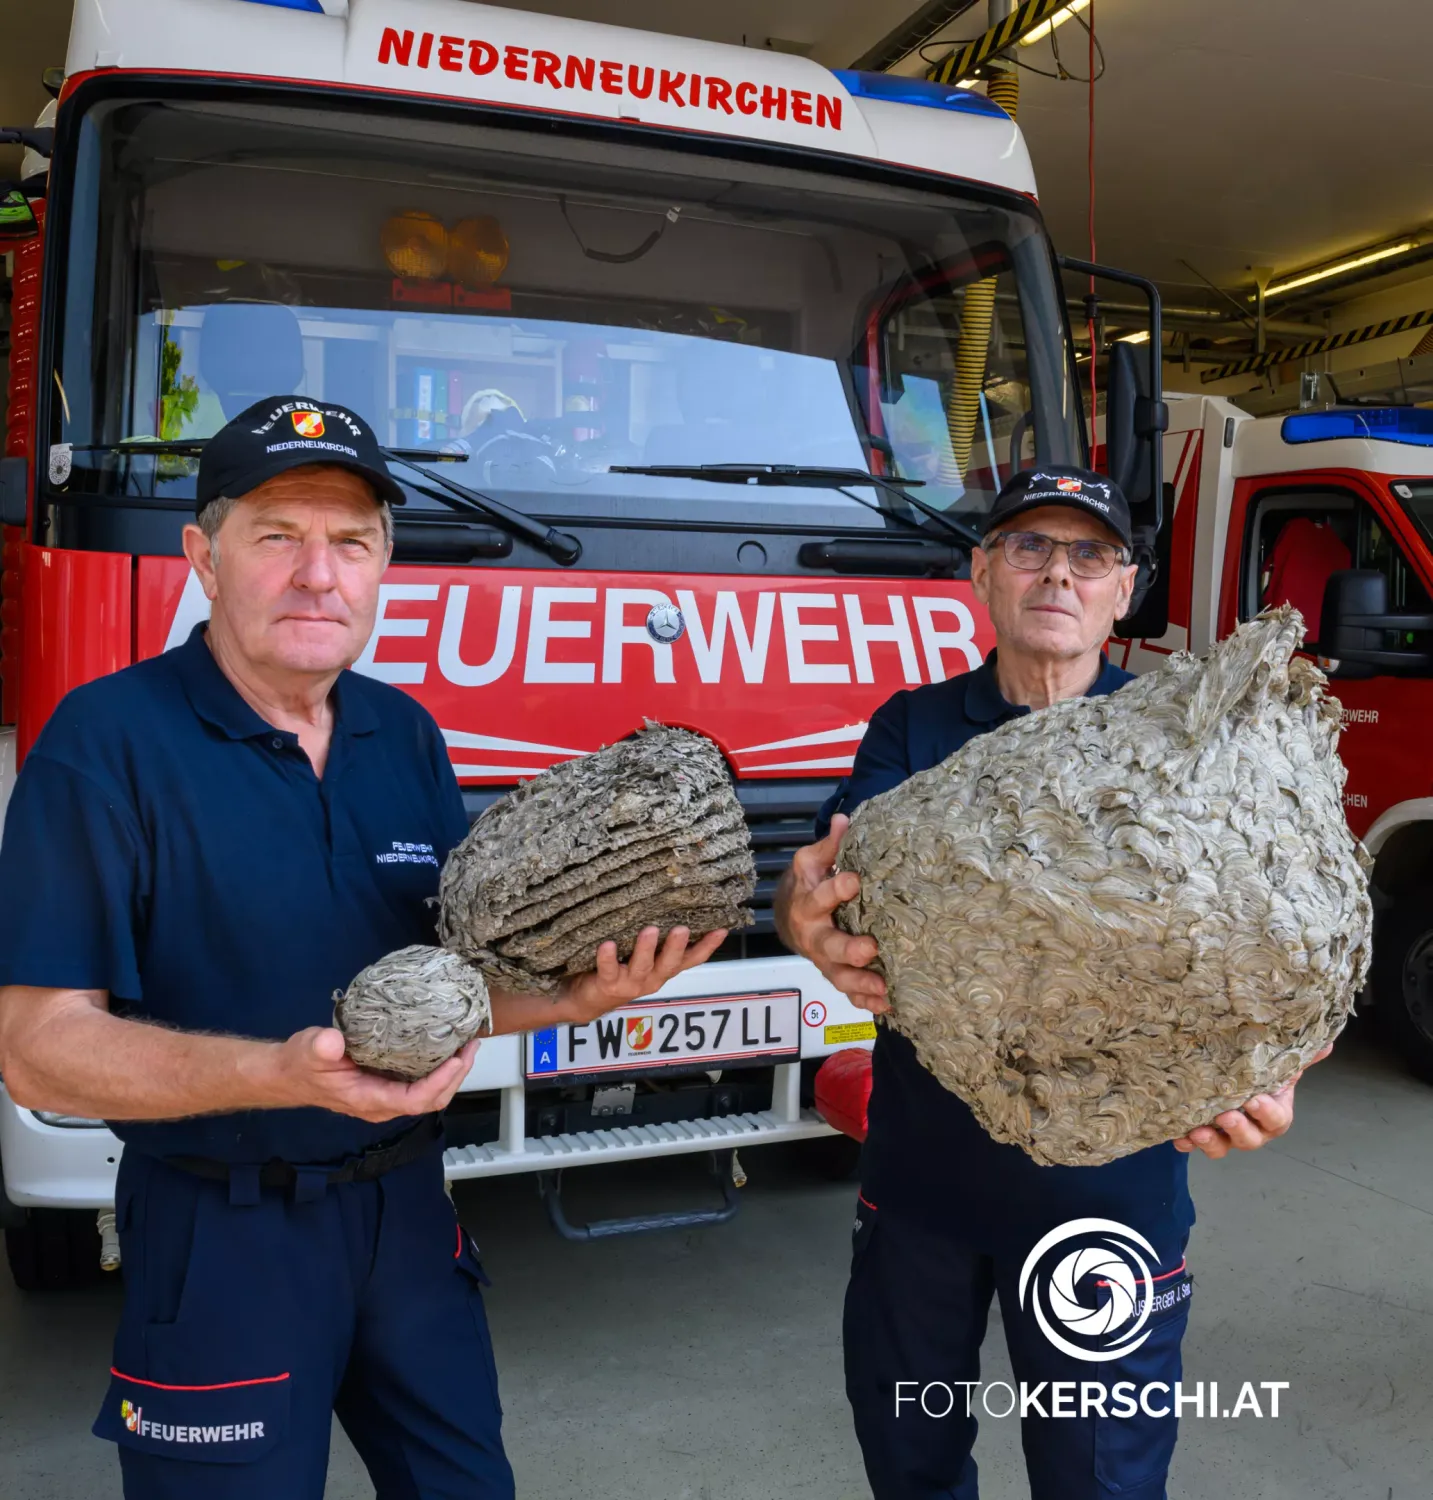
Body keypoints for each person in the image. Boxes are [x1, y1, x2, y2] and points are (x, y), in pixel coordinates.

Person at [0, 396, 726, 1500]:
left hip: (406, 1213)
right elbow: (37, 1046)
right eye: (276, 536)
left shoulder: (405, 734)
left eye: (349, 542)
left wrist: (574, 998)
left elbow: (454, 986)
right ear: (203, 555)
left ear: (384, 565)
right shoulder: (105, 744)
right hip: (221, 1228)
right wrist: (274, 1073)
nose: (315, 574)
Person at [775, 465, 1327, 1500]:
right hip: (921, 1190)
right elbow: (828, 883)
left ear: (1125, 589)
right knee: (909, 1460)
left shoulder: (1187, 745)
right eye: (1028, 546)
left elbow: (1279, 941)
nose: (1056, 574)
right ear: (982, 572)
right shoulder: (909, 728)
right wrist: (797, 920)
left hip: (1106, 1203)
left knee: (1098, 1480)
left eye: (1088, 554)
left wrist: (1277, 1062)